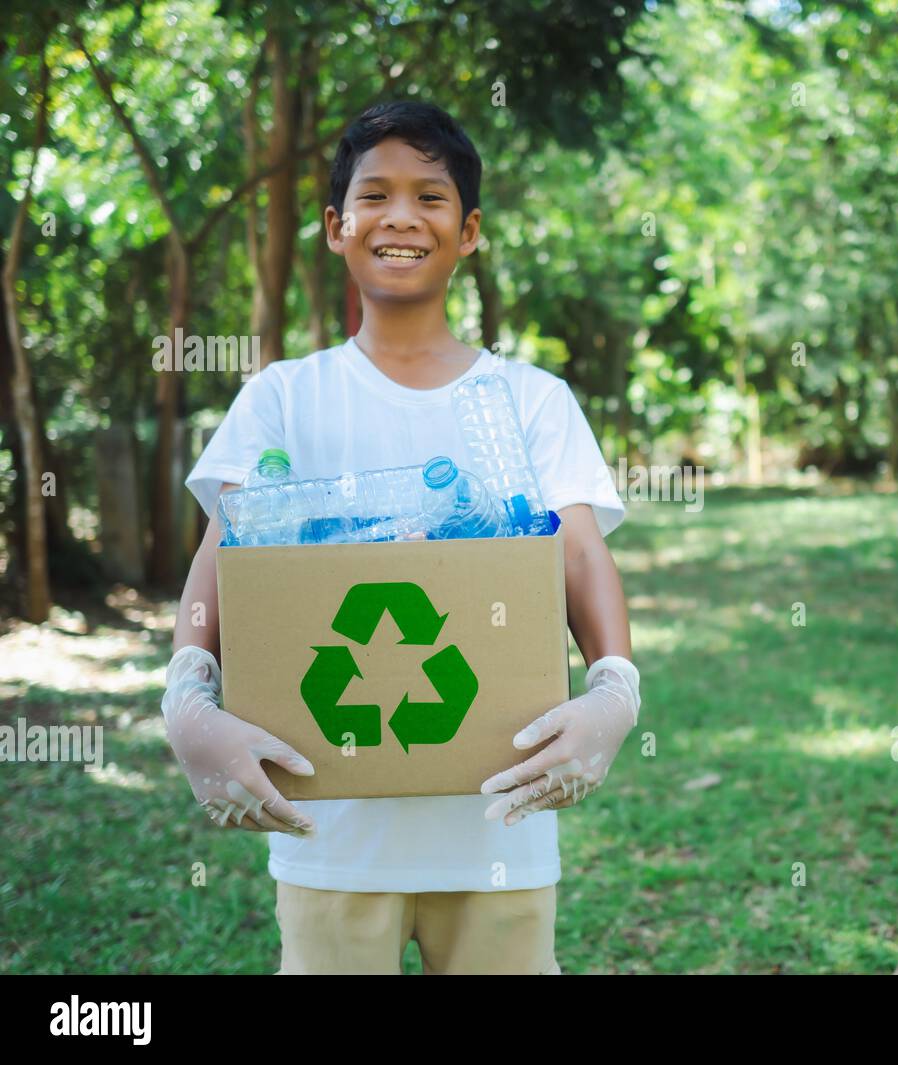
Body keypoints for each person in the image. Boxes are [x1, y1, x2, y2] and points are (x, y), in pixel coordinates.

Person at [161, 101, 641, 975]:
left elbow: (576, 550)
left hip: (499, 829)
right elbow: (222, 554)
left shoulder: (530, 400)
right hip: (332, 836)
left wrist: (615, 689)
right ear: (338, 227)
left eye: (431, 196)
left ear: (469, 232)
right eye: (375, 195)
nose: (402, 216)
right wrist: (187, 696)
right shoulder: (283, 398)